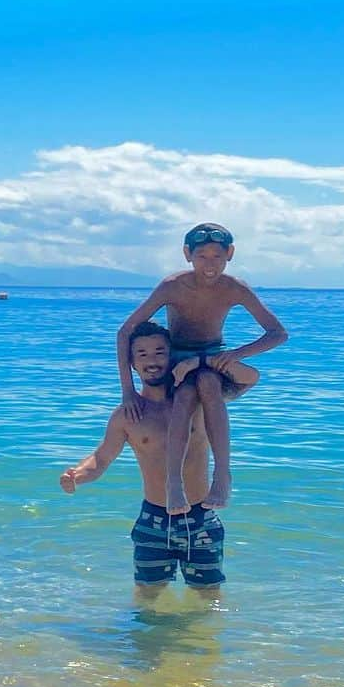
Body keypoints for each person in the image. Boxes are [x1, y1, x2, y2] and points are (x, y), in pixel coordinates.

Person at [116, 222, 288, 516]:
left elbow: (277, 333)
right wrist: (128, 392)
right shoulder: (172, 286)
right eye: (202, 256)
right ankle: (174, 483)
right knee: (185, 395)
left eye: (217, 256)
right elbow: (125, 331)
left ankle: (222, 475)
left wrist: (236, 353)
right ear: (187, 255)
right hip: (179, 359)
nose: (210, 264)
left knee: (208, 381)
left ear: (230, 254)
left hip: (215, 356)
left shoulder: (235, 288)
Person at [61, 321, 225, 597]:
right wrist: (78, 475)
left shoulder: (198, 401)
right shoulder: (129, 415)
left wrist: (202, 362)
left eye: (160, 352)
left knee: (208, 600)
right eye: (143, 354)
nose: (152, 360)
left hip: (201, 516)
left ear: (171, 356)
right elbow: (101, 459)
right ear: (132, 364)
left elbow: (242, 381)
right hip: (153, 519)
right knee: (147, 602)